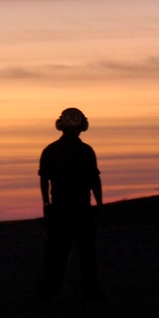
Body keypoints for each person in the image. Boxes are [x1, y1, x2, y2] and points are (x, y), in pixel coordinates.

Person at [38, 107, 103, 300]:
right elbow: (94, 180)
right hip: (80, 209)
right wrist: (99, 204)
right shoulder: (85, 151)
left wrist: (47, 204)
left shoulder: (51, 150)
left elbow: (44, 180)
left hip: (62, 209)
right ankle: (89, 292)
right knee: (86, 253)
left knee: (57, 253)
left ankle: (50, 292)